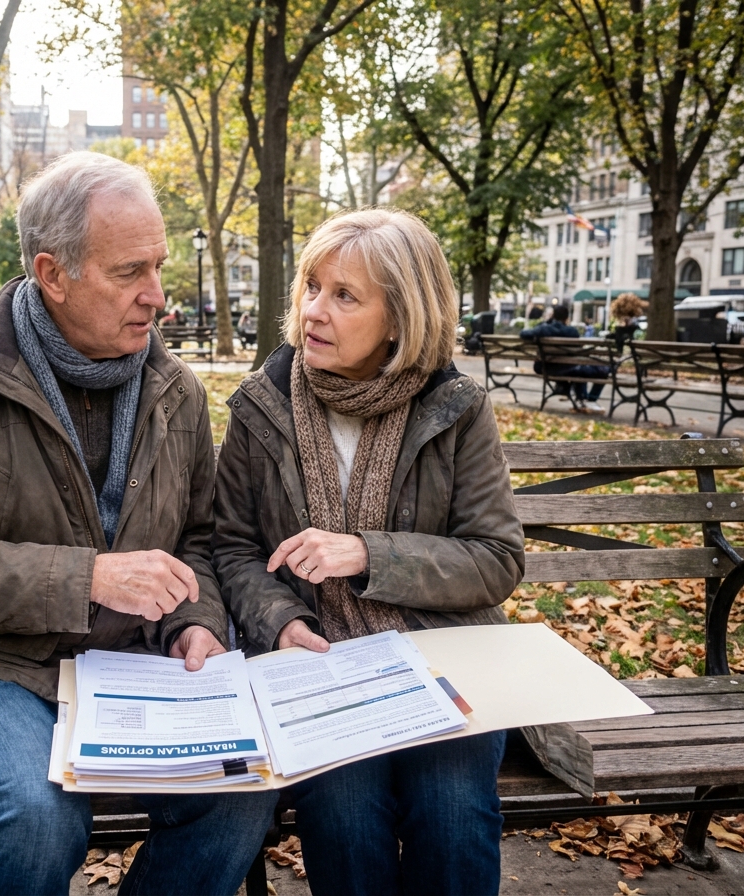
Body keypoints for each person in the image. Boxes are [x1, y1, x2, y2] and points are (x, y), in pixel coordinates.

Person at [0, 152, 275, 896]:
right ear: (53, 275)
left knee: (240, 788)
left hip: (133, 666)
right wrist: (87, 577)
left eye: (159, 267)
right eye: (129, 272)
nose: (158, 297)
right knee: (35, 816)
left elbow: (198, 542)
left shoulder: (176, 390)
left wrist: (195, 624)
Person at [212, 208, 524, 896]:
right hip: (319, 663)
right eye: (312, 286)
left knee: (451, 812)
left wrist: (367, 554)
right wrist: (280, 622)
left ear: (400, 318)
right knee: (344, 813)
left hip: (441, 656)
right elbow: (231, 547)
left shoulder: (455, 407)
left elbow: (496, 557)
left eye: (345, 296)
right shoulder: (263, 405)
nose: (314, 311)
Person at [520, 304, 608, 412]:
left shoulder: (543, 329)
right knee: (603, 370)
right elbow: (578, 351)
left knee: (580, 369)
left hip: (545, 368)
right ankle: (590, 399)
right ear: (567, 318)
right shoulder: (572, 332)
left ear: (553, 315)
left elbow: (523, 333)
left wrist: (547, 322)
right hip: (569, 369)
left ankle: (579, 397)